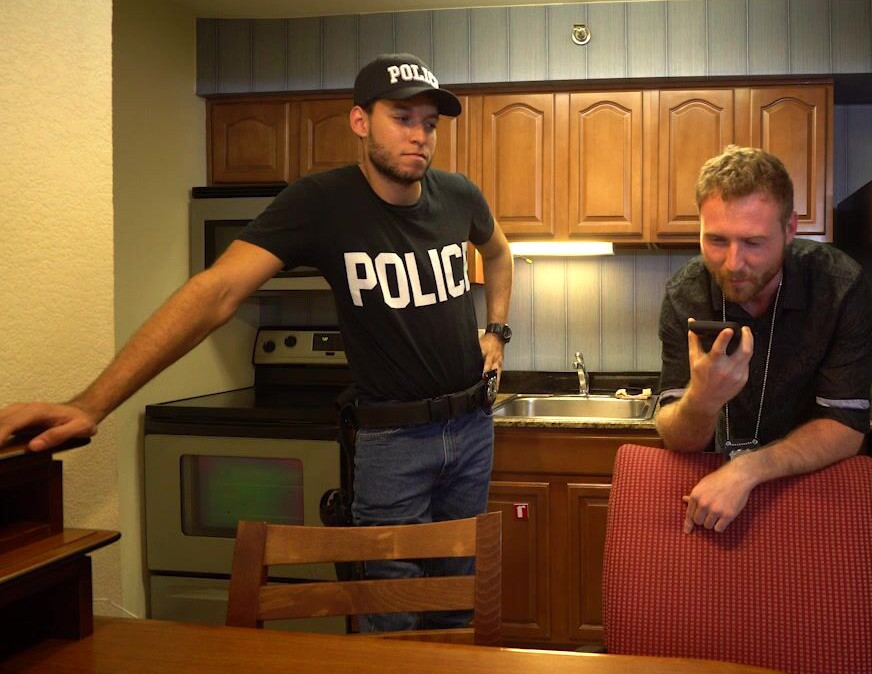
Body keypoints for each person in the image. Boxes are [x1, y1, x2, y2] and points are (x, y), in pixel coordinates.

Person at [0, 53, 514, 632]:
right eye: (402, 118)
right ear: (360, 121)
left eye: (430, 123)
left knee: (461, 601)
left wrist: (495, 331)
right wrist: (91, 404)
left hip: (471, 429)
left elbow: (498, 252)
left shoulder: (458, 195)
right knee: (389, 612)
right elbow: (216, 291)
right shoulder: (321, 203)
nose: (419, 136)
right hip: (393, 442)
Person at [656, 145, 872, 535]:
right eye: (716, 240)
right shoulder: (684, 293)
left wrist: (749, 468)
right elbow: (677, 438)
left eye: (753, 243)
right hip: (715, 490)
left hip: (815, 483)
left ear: (789, 229)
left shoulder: (839, 286)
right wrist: (702, 400)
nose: (733, 264)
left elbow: (846, 426)